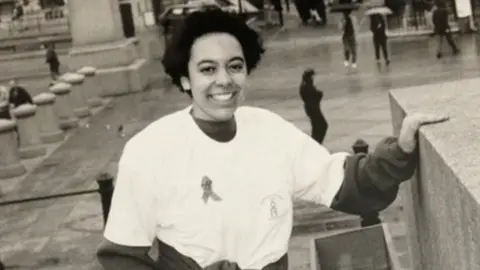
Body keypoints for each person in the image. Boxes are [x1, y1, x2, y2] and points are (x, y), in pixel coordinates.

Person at [96, 9, 448, 270]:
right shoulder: (149, 151)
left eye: (235, 66)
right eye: (207, 69)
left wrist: (399, 150)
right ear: (185, 79)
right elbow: (121, 258)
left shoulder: (269, 130)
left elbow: (347, 183)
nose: (224, 80)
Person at [299, 68, 328, 144]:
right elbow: (315, 96)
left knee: (317, 126)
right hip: (313, 108)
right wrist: (319, 94)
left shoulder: (306, 85)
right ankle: (316, 143)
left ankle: (315, 142)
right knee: (322, 125)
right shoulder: (307, 86)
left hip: (311, 108)